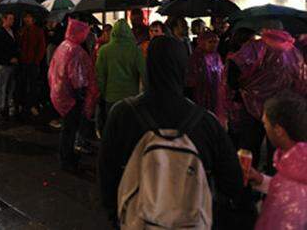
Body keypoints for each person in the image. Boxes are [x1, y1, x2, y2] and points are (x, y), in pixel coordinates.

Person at [98, 36, 244, 227]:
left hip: (137, 221)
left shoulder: (122, 114)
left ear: (149, 65)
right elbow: (232, 182)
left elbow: (106, 174)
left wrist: (115, 212)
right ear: (183, 67)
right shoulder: (206, 122)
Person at [227, 23, 307, 170]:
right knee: (277, 149)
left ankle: (247, 183)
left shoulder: (255, 47)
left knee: (248, 148)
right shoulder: (293, 52)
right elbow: (301, 82)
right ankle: (271, 182)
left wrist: (239, 89)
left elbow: (234, 68)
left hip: (251, 106)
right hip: (281, 109)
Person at [247, 93, 307, 230]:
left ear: (278, 130)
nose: (265, 129)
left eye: (265, 124)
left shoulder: (296, 172)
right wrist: (261, 180)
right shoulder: (294, 163)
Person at [48, 18, 99, 171]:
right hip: (70, 97)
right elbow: (78, 78)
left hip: (60, 94)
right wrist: (82, 96)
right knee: (69, 130)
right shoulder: (75, 51)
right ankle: (67, 160)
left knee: (67, 129)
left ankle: (66, 156)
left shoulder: (63, 46)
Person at [95, 19, 146, 134]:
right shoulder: (136, 50)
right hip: (131, 96)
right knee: (130, 128)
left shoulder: (104, 51)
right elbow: (144, 72)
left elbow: (100, 75)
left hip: (111, 96)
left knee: (113, 128)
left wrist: (102, 93)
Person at [187, 31, 225, 126]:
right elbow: (191, 78)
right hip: (201, 92)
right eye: (210, 42)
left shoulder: (217, 56)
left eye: (216, 42)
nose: (214, 45)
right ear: (202, 42)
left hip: (216, 92)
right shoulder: (196, 57)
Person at [0, 12, 19, 129]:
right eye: (10, 19)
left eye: (13, 19)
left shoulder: (12, 31)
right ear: (4, 20)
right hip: (2, 65)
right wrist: (9, 58)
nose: (12, 21)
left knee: (6, 87)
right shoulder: (0, 33)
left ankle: (3, 107)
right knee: (1, 88)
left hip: (8, 65)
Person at [18, 12, 46, 116]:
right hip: (23, 62)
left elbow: (41, 47)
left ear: (32, 19)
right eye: (25, 17)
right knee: (23, 84)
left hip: (33, 62)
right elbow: (19, 45)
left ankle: (33, 105)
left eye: (28, 17)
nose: (27, 19)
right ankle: (24, 105)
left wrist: (37, 60)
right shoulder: (22, 30)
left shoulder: (38, 31)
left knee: (33, 85)